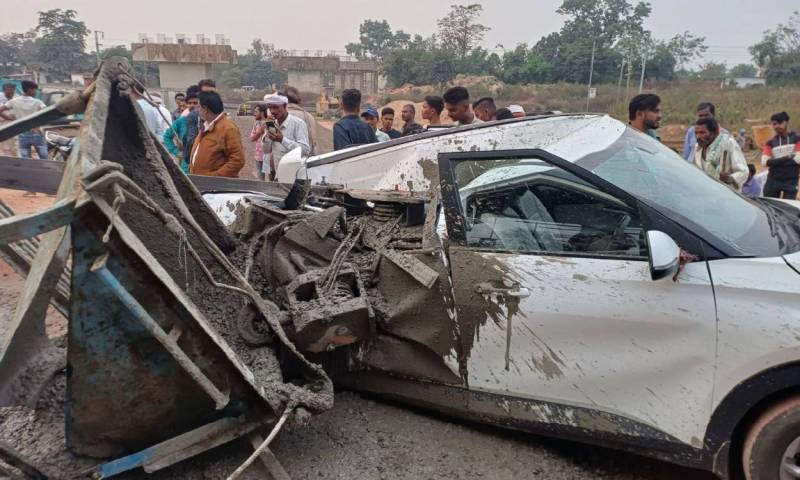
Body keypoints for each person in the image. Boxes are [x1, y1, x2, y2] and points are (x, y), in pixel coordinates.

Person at [189, 91, 244, 177]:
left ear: (205, 109)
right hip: (200, 183)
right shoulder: (207, 125)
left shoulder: (228, 129)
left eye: (199, 106)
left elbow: (237, 161)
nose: (197, 110)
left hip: (216, 186)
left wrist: (215, 177)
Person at [261, 93, 310, 180]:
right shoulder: (272, 124)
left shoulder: (298, 123)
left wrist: (282, 140)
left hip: (296, 175)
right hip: (278, 173)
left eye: (276, 107)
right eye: (270, 108)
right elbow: (266, 150)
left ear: (284, 106)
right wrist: (268, 135)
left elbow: (305, 150)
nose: (272, 111)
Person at [691, 117, 748, 191]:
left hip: (726, 194)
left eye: (702, 132)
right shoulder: (697, 148)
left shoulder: (728, 144)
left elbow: (743, 172)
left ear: (714, 133)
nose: (698, 136)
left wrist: (730, 178)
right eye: (696, 133)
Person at [0, 80, 47, 159]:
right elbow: (47, 113)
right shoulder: (38, 102)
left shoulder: (14, 101)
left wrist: (12, 118)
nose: (36, 92)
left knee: (25, 158)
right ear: (30, 90)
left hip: (21, 133)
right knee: (44, 157)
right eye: (35, 90)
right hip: (36, 132)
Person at [760, 112, 800, 199]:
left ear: (786, 122)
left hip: (791, 181)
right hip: (773, 180)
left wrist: (775, 161)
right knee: (769, 206)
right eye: (774, 124)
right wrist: (788, 157)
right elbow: (764, 162)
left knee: (788, 208)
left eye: (780, 122)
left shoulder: (797, 138)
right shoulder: (770, 142)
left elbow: (798, 159)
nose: (777, 126)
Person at [163, 90, 200, 172]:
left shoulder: (204, 121)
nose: (192, 105)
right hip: (186, 164)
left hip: (201, 163)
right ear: (186, 105)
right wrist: (176, 151)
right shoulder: (181, 121)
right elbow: (167, 136)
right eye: (189, 103)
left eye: (195, 103)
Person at [280, 85, 316, 156]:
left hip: (282, 161)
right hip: (303, 160)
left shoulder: (279, 116)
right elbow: (313, 142)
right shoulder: (308, 116)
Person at [250, 103, 267, 180]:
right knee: (260, 180)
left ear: (262, 112)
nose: (254, 114)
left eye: (256, 112)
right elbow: (252, 138)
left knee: (272, 180)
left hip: (269, 158)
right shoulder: (256, 124)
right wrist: (259, 132)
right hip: (258, 157)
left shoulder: (270, 123)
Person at [0, 82, 17, 157]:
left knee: (11, 144)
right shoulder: (1, 97)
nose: (12, 92)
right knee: (6, 145)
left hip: (12, 123)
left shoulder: (15, 97)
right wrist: (10, 118)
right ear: (5, 90)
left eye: (13, 90)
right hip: (4, 123)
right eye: (10, 90)